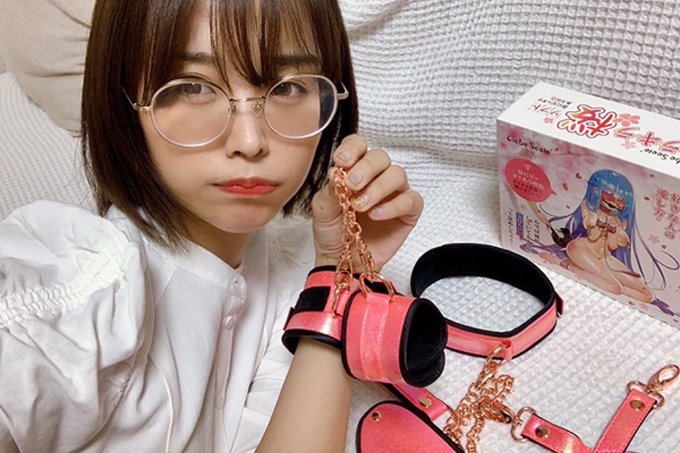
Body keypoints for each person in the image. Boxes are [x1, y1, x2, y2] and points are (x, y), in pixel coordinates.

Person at [0, 0, 424, 452]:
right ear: (124, 104)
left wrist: (342, 275)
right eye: (194, 87)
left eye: (287, 87)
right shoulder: (84, 287)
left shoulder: (293, 270)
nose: (250, 141)